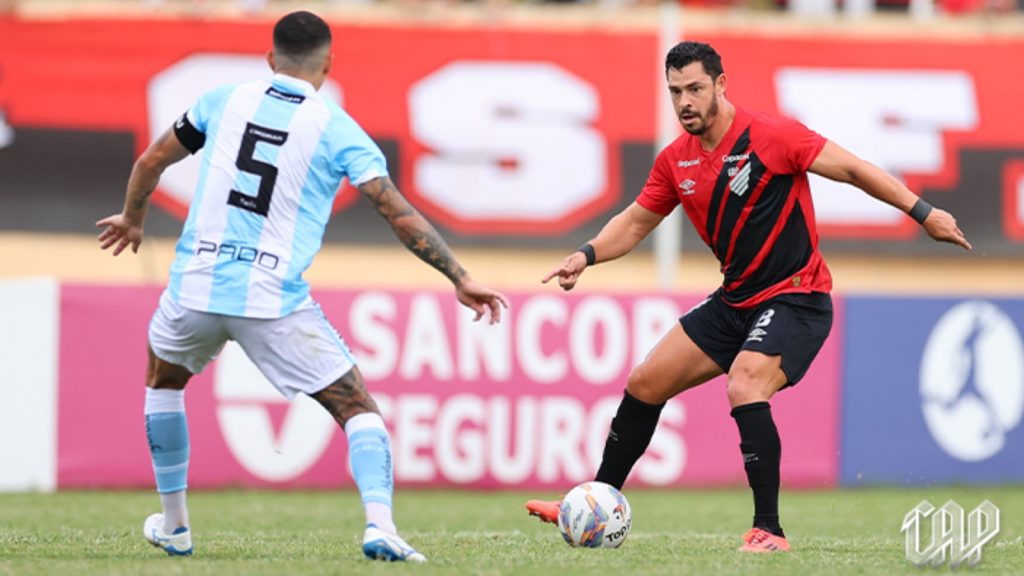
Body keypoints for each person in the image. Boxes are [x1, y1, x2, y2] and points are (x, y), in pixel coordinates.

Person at [96, 10, 508, 563]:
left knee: (163, 383)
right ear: (328, 64)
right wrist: (459, 276)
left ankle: (174, 524)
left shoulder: (222, 100)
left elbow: (151, 160)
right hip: (271, 300)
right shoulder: (336, 127)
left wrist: (132, 218)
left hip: (194, 288)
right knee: (357, 408)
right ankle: (379, 524)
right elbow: (397, 211)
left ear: (270, 59)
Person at [526, 41, 970, 553]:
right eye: (675, 92)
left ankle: (770, 531)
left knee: (744, 384)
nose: (685, 101)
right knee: (646, 382)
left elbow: (854, 169)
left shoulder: (773, 136)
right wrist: (586, 254)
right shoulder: (676, 161)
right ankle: (595, 501)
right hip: (736, 301)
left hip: (797, 297)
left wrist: (924, 213)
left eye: (695, 88)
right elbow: (633, 224)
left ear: (721, 84)